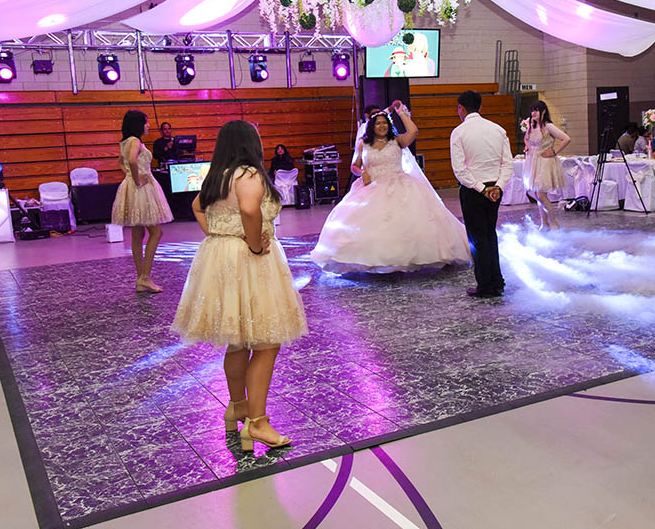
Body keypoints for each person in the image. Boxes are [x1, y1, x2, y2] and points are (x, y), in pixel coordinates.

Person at [172, 120, 307, 450]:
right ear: (252, 143)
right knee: (266, 342)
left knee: (238, 341)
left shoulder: (219, 174)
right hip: (247, 258)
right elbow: (249, 208)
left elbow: (196, 206)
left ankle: (238, 407)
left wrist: (217, 234)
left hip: (220, 256)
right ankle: (257, 424)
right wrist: (254, 243)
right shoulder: (249, 173)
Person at [311, 101, 470, 273]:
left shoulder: (397, 141)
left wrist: (400, 112)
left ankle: (411, 257)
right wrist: (361, 171)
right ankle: (373, 259)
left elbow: (413, 131)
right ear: (372, 126)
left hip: (399, 185)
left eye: (385, 123)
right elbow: (354, 166)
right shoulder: (363, 144)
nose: (382, 126)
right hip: (371, 187)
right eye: (378, 123)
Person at [451, 90, 514, 298]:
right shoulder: (498, 129)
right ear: (480, 107)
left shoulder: (459, 132)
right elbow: (508, 164)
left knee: (477, 239)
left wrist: (481, 188)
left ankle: (486, 285)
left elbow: (460, 170)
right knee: (490, 234)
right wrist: (498, 186)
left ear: (461, 108)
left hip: (474, 190)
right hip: (495, 189)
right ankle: (497, 280)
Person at [111, 110, 173, 292]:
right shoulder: (135, 141)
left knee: (137, 234)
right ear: (138, 124)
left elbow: (120, 162)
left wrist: (130, 176)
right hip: (141, 188)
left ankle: (141, 278)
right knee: (156, 232)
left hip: (132, 186)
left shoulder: (126, 141)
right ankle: (145, 276)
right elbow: (130, 160)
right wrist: (138, 179)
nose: (149, 125)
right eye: (146, 122)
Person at [521, 101, 572, 230]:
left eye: (536, 110)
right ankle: (544, 223)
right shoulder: (531, 127)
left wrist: (554, 151)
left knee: (541, 195)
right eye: (532, 110)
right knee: (537, 194)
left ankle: (553, 222)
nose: (533, 113)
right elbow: (527, 139)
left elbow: (566, 138)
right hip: (534, 162)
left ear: (543, 112)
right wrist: (528, 147)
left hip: (545, 162)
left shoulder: (548, 126)